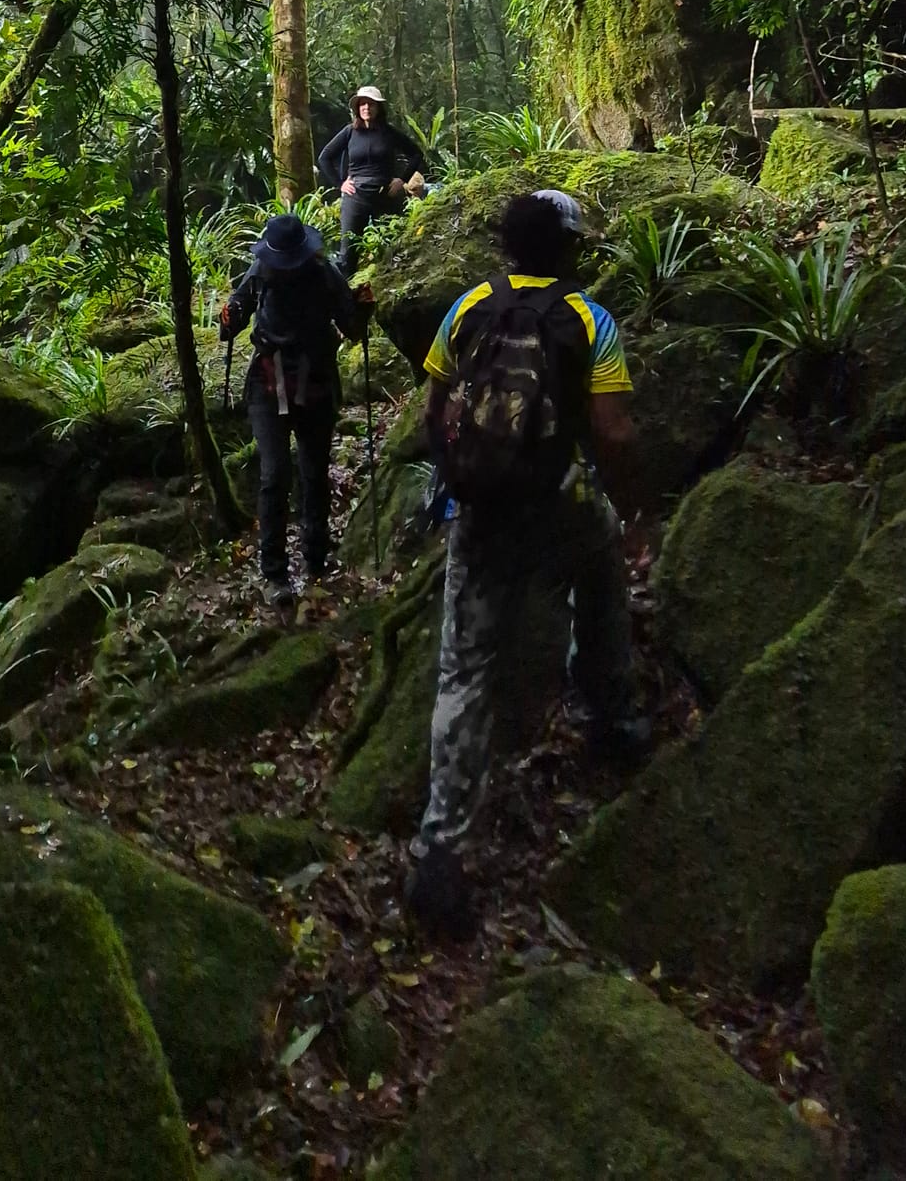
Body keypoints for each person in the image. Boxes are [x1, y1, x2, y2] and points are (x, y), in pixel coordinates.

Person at [403, 186, 652, 940]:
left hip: (482, 514)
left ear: (507, 246)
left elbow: (434, 409)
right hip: (559, 503)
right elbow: (613, 432)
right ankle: (611, 715)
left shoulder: (469, 305)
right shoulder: (590, 319)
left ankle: (440, 851)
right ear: (568, 249)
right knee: (602, 571)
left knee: (464, 669)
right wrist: (634, 509)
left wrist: (461, 476)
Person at [218, 209, 371, 606]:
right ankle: (274, 572)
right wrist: (229, 318)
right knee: (275, 474)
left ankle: (316, 556)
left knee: (314, 472)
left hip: (315, 380)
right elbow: (233, 318)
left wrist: (361, 310)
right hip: (269, 382)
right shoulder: (260, 273)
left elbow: (352, 328)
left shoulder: (325, 274)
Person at [315, 84, 429, 269]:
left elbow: (416, 154)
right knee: (348, 253)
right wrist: (340, 183)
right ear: (357, 108)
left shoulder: (389, 133)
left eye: (371, 104)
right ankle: (346, 286)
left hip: (386, 195)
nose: (366, 107)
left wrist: (402, 180)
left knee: (393, 248)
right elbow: (324, 158)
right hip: (356, 196)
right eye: (362, 104)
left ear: (378, 108)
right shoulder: (350, 132)